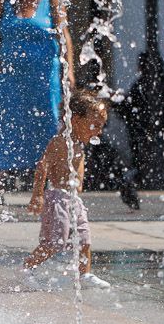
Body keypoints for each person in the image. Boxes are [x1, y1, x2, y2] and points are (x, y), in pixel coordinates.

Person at [0, 0, 74, 204]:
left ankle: (50, 184)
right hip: (10, 78)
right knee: (7, 125)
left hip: (44, 77)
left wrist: (70, 72)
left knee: (48, 124)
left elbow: (64, 36)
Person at [22, 89, 111, 290]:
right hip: (58, 199)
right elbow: (42, 166)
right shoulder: (60, 142)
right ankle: (27, 267)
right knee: (55, 242)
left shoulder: (78, 143)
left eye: (101, 126)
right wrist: (37, 195)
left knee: (84, 239)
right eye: (95, 125)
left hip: (74, 199)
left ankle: (84, 274)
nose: (99, 131)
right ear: (76, 120)